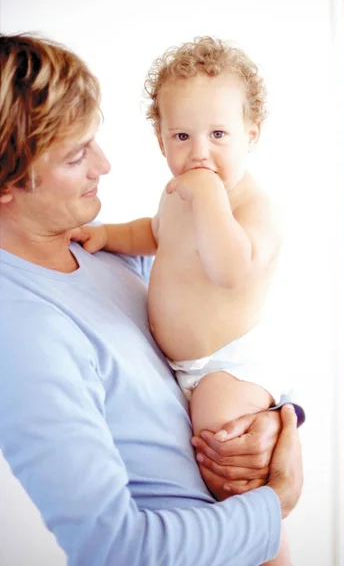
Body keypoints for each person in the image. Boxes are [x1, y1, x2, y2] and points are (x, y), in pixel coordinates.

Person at [0, 33, 303, 566]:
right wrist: (272, 502)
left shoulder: (98, 249)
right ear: (8, 182)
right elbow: (112, 548)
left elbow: (228, 325)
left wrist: (281, 423)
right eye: (76, 155)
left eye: (95, 140)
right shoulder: (20, 334)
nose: (105, 165)